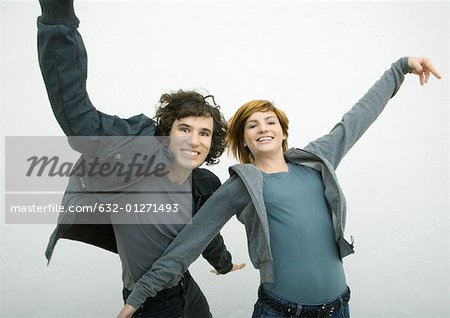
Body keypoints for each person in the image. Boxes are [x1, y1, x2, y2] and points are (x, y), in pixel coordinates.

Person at [115, 56, 441, 318]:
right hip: (280, 311)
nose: (263, 128)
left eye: (270, 121)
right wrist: (138, 298)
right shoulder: (241, 185)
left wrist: (400, 68)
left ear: (283, 132)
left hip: (338, 308)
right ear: (243, 139)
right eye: (252, 125)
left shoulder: (317, 161)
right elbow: (188, 243)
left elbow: (357, 118)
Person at [36, 1, 244, 317]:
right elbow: (78, 116)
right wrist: (58, 17)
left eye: (204, 133)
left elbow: (205, 230)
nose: (194, 140)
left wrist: (224, 264)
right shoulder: (133, 163)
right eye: (184, 128)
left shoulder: (202, 182)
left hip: (187, 291)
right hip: (149, 304)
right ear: (167, 131)